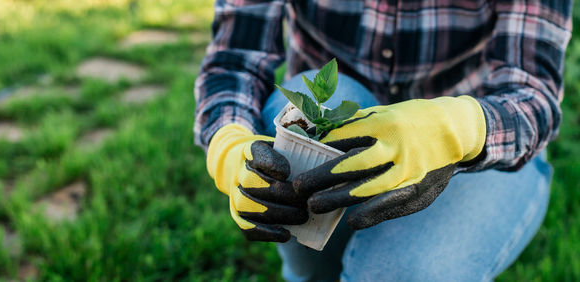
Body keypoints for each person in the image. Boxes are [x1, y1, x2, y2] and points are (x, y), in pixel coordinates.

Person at [195, 1, 571, 281]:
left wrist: (453, 129)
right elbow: (235, 59)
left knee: (405, 272)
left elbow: (531, 93)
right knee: (312, 252)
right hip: (331, 114)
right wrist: (228, 145)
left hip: (480, 143)